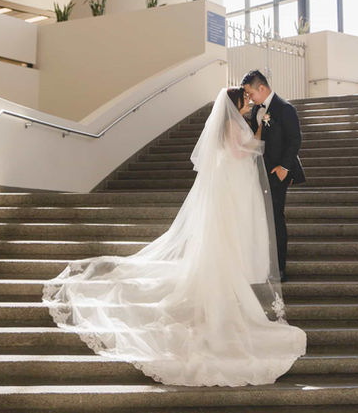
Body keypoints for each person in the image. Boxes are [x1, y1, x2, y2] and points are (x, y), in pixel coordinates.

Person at [42, 87, 306, 387]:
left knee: (226, 237)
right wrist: (259, 135)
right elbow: (236, 152)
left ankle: (227, 275)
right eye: (243, 100)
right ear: (234, 104)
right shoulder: (233, 124)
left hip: (231, 185)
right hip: (231, 185)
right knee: (225, 237)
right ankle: (223, 284)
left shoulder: (232, 123)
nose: (247, 103)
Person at [242, 70, 306, 282]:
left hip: (277, 173)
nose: (249, 98)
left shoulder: (285, 108)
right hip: (258, 172)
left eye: (250, 93)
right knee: (262, 219)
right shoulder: (255, 111)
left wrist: (284, 168)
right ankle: (263, 263)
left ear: (262, 88)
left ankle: (279, 267)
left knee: (276, 218)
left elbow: (295, 140)